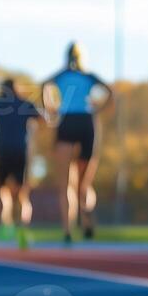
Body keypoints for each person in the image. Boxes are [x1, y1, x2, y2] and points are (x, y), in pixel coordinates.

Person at [43, 42, 113, 244]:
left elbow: (44, 85)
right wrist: (99, 109)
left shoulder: (61, 75)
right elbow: (110, 91)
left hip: (67, 122)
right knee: (83, 185)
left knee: (66, 183)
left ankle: (67, 229)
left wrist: (51, 108)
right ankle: (85, 217)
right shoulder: (88, 76)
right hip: (85, 122)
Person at [0, 79, 43, 251]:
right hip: (20, 152)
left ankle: (5, 226)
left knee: (1, 190)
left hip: (4, 151)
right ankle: (22, 229)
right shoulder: (25, 104)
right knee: (22, 194)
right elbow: (42, 119)